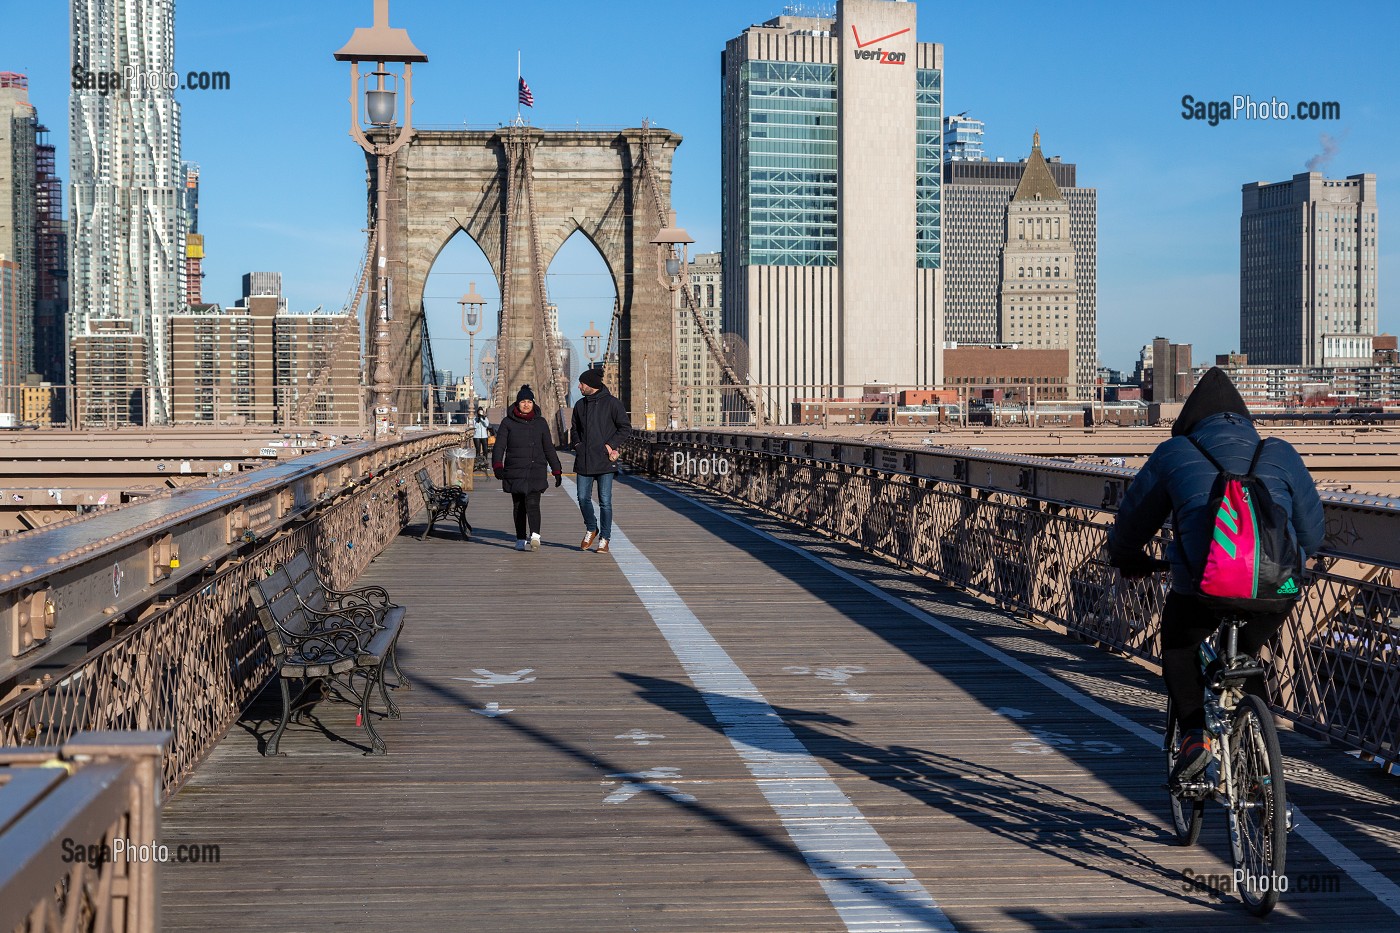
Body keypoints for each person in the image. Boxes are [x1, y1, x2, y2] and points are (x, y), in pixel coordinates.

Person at [1107, 368, 1323, 783]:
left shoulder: (1175, 452)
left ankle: (1194, 738)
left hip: (1200, 588)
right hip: (1275, 587)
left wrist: (1126, 556)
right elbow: (1312, 536)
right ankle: (1263, 766)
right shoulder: (1279, 451)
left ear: (1190, 421)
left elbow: (1133, 524)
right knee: (1248, 654)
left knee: (1179, 645)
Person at [492, 385, 562, 551]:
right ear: (517, 403)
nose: (526, 404)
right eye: (523, 401)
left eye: (529, 401)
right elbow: (499, 446)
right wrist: (497, 465)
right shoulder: (507, 422)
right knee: (518, 506)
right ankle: (520, 538)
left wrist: (556, 470)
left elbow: (548, 448)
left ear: (533, 403)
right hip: (515, 469)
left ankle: (535, 536)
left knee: (533, 503)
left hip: (535, 469)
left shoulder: (541, 423)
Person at [571, 368, 629, 553]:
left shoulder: (613, 404)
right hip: (584, 459)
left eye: (582, 383)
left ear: (592, 385)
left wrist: (610, 445)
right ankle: (591, 527)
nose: (579, 386)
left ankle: (605, 538)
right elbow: (574, 429)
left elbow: (625, 428)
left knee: (605, 501)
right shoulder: (580, 405)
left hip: (605, 460)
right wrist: (578, 445)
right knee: (582, 498)